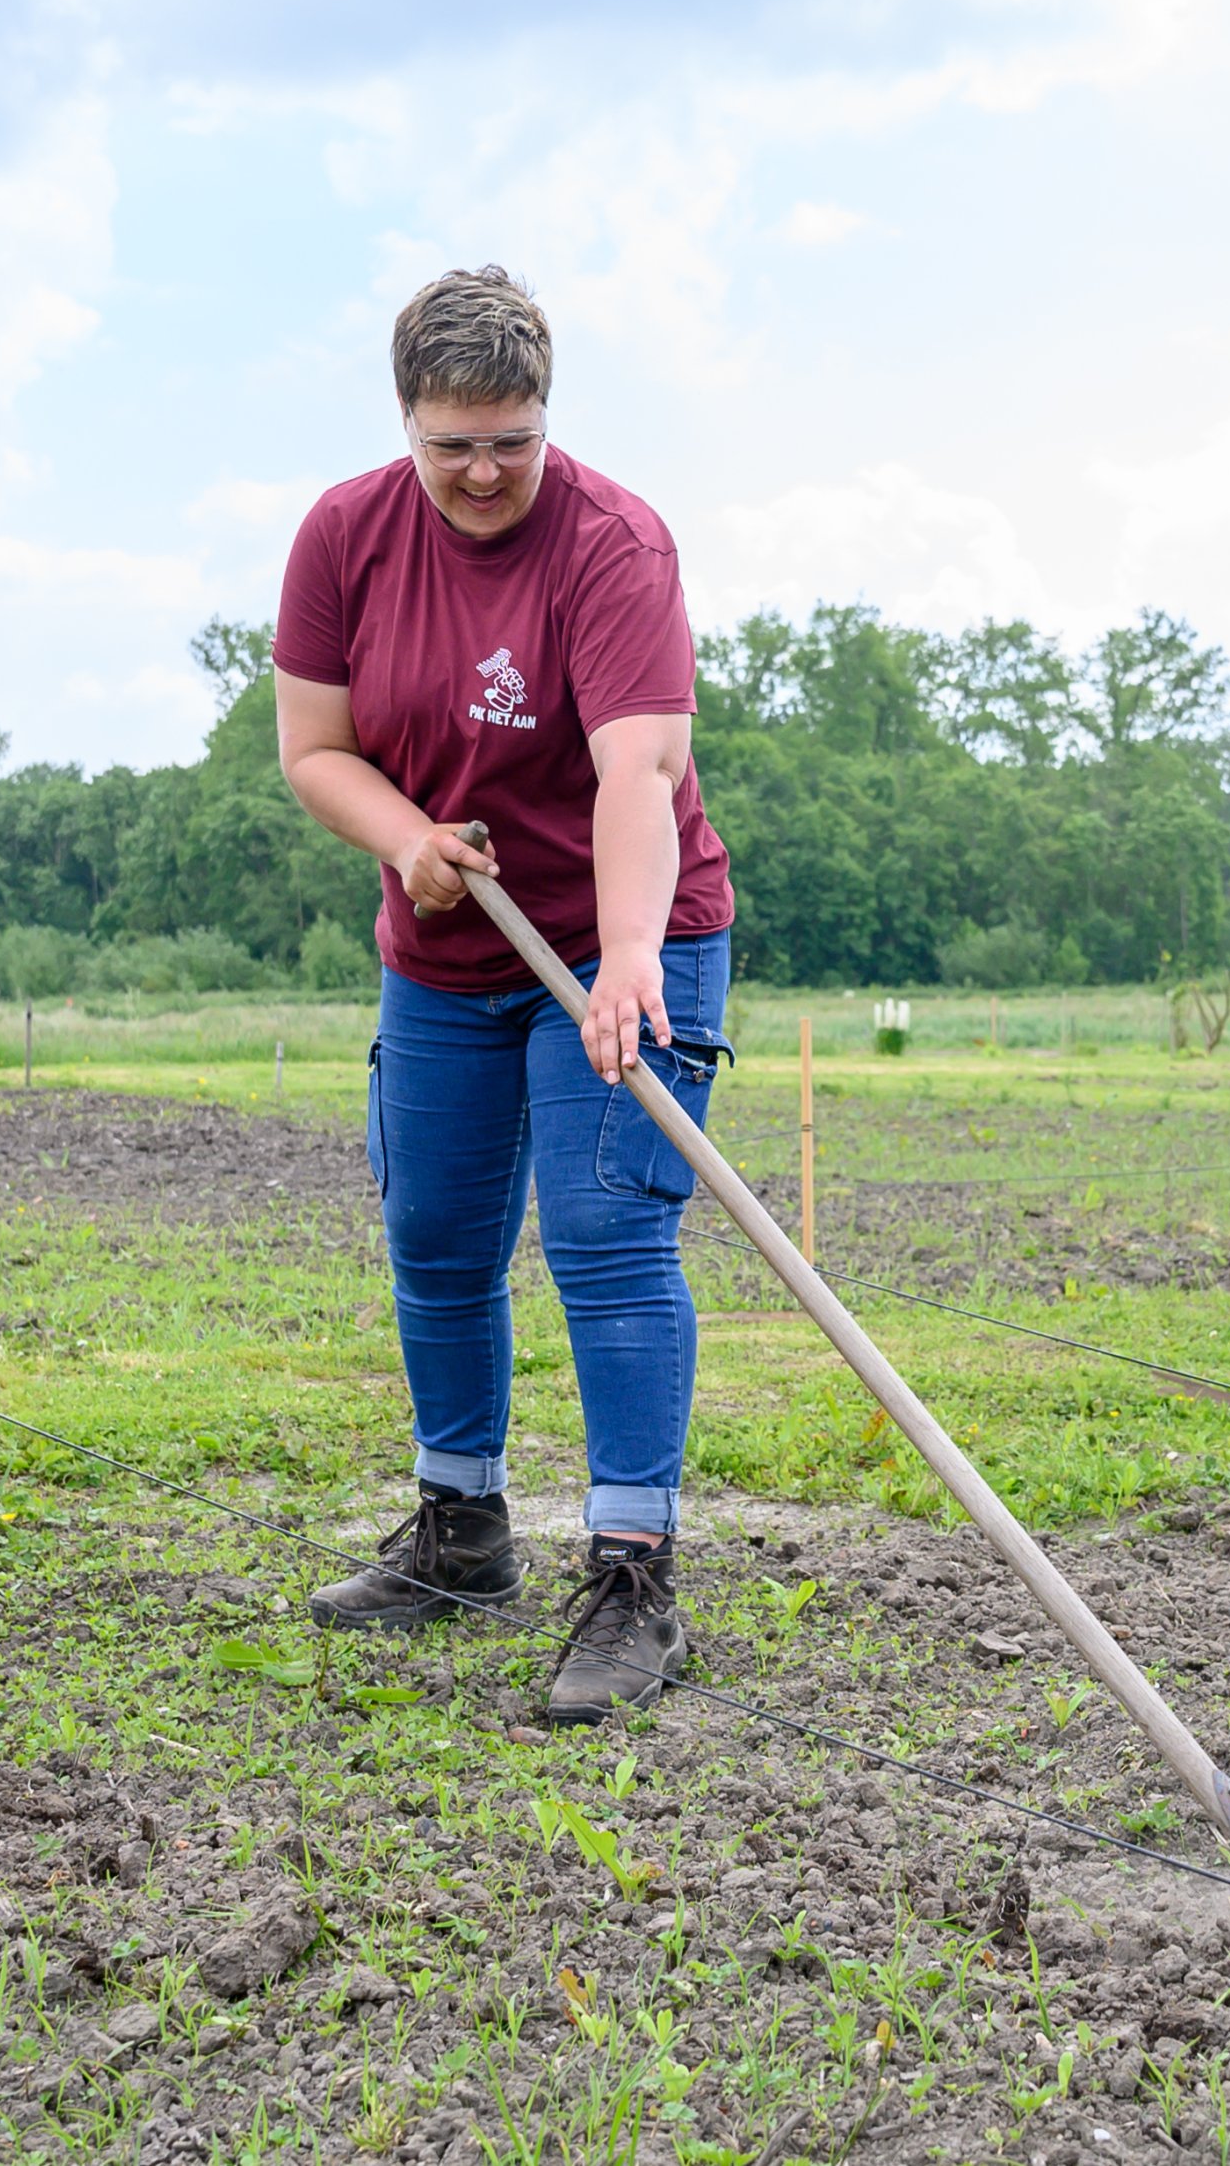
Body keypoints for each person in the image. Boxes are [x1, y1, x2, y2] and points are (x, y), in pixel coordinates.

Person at [272, 265, 736, 1724]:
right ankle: (461, 1536)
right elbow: (316, 749)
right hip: (448, 949)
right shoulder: (345, 536)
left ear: (549, 419)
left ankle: (631, 1574)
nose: (482, 471)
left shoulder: (614, 547)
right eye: (452, 441)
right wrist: (404, 838)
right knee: (437, 1235)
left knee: (605, 1237)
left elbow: (638, 776)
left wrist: (632, 957)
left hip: (615, 933)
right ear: (404, 420)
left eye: (511, 439)